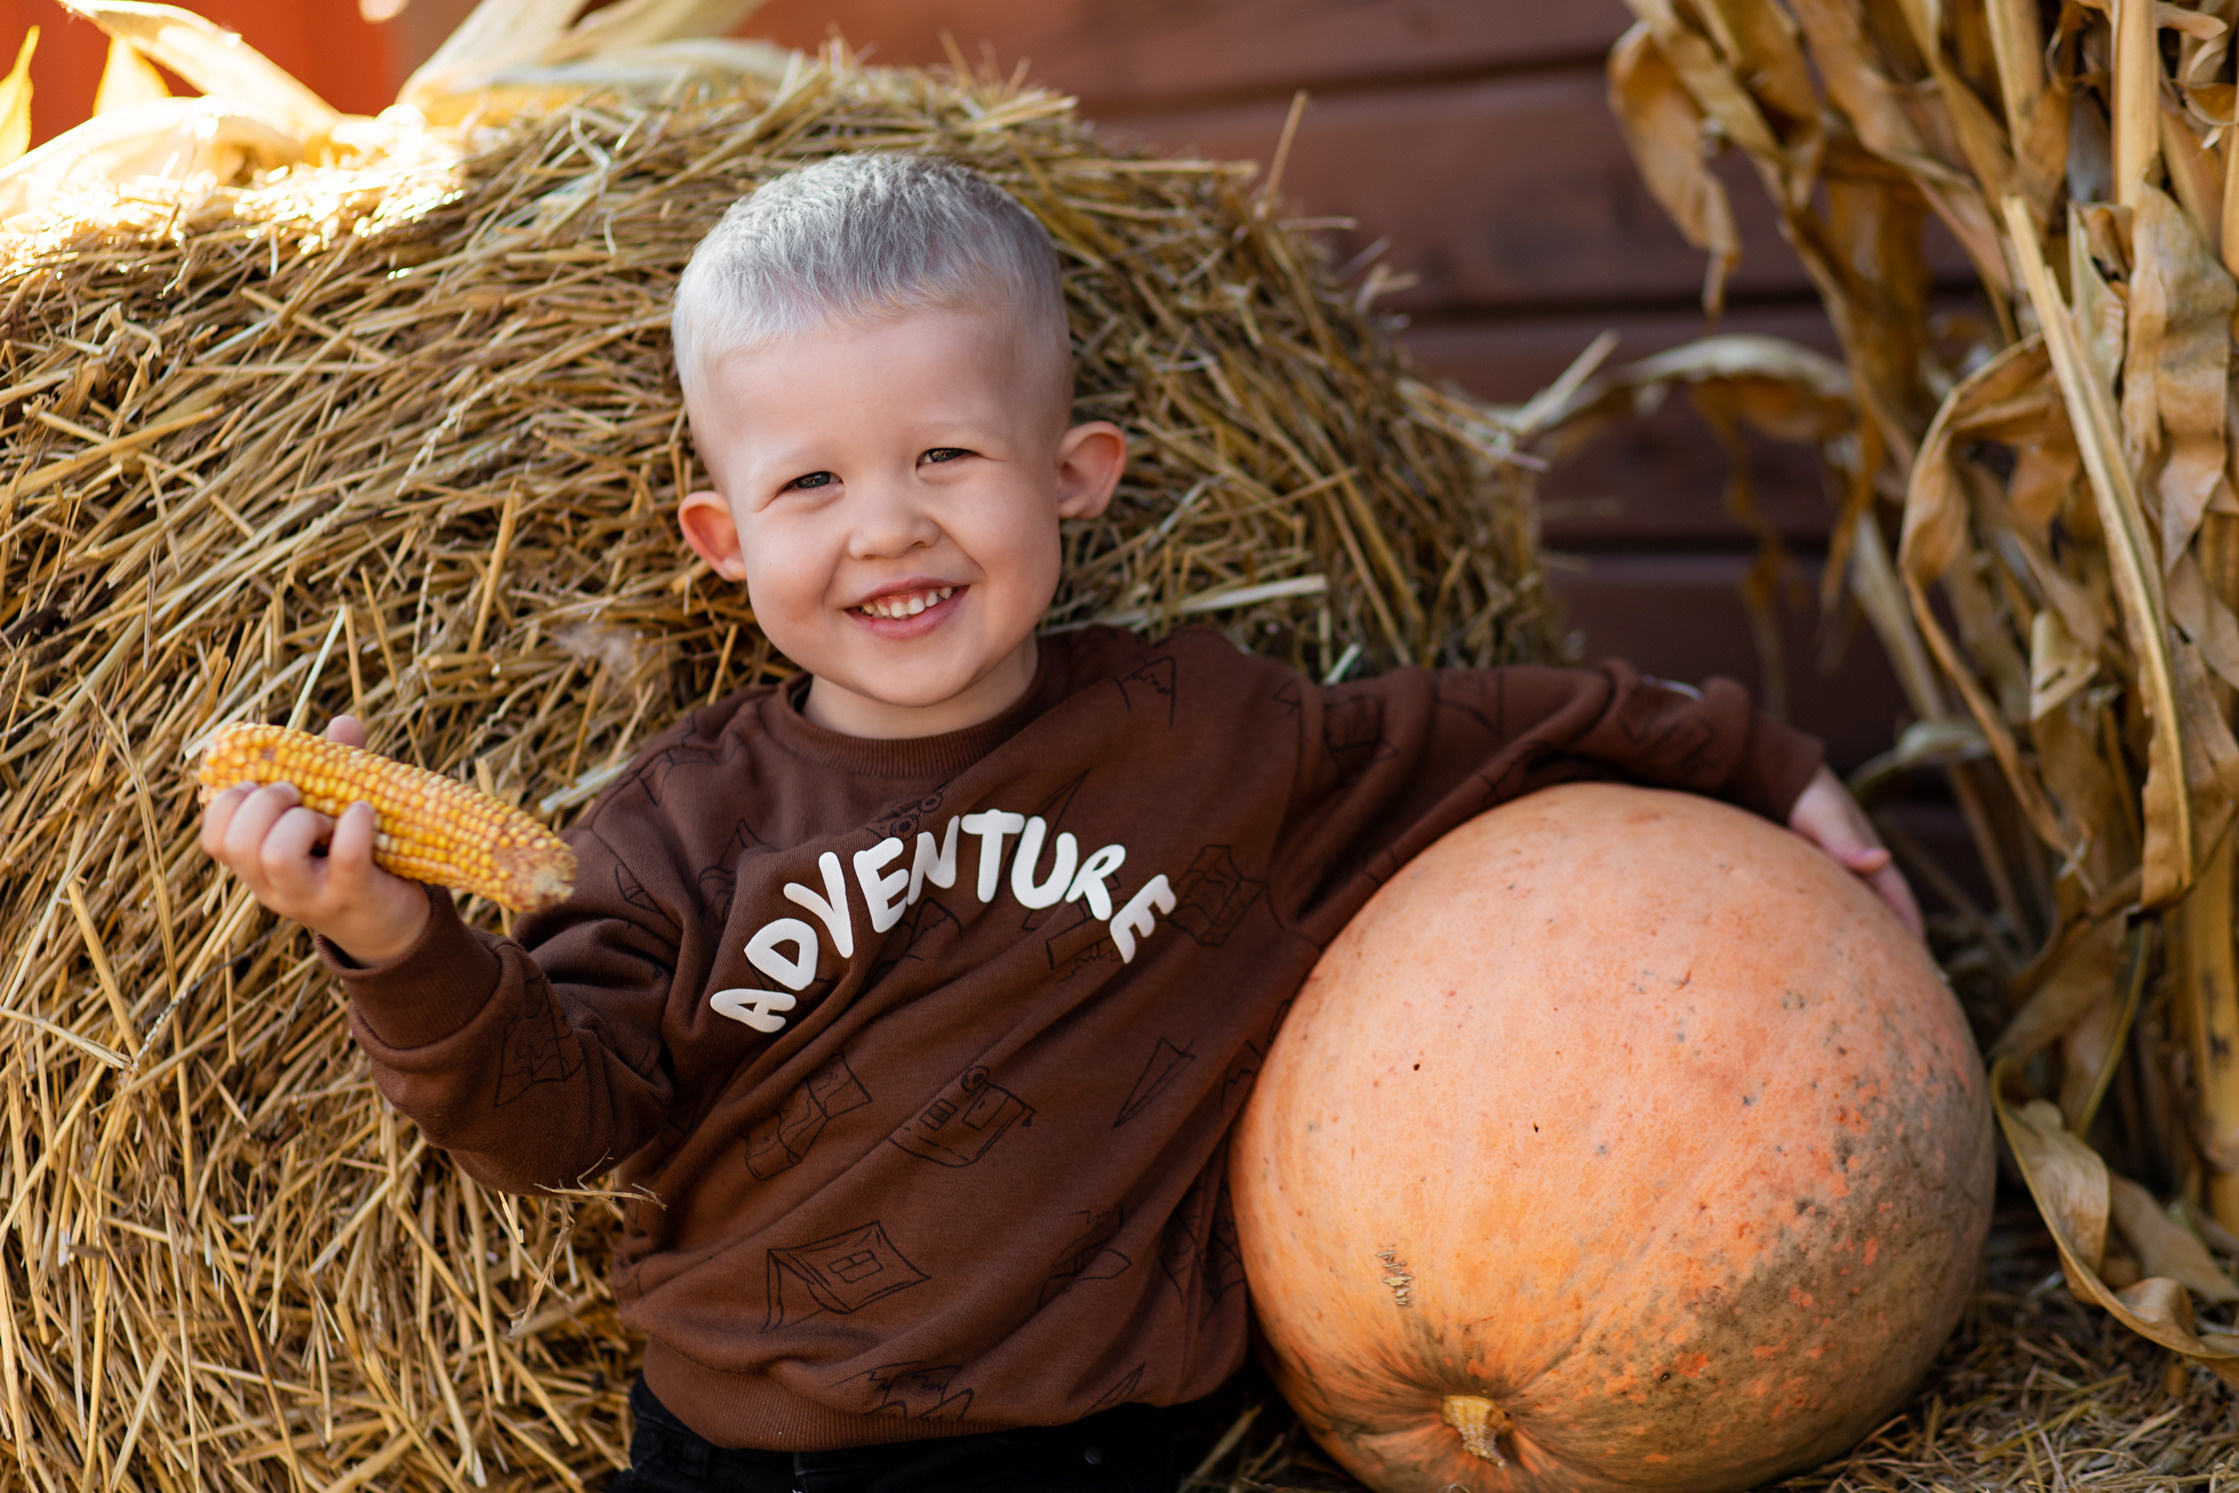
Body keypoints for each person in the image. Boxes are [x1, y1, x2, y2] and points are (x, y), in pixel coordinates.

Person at [200, 154, 1921, 1493]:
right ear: (722, 542)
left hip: (1071, 1439)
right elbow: (557, 1117)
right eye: (813, 483)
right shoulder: (679, 822)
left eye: (948, 455)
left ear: (1074, 472)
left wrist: (1763, 761)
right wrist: (398, 943)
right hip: (724, 1440)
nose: (887, 529)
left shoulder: (1205, 740)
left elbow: (1497, 721)